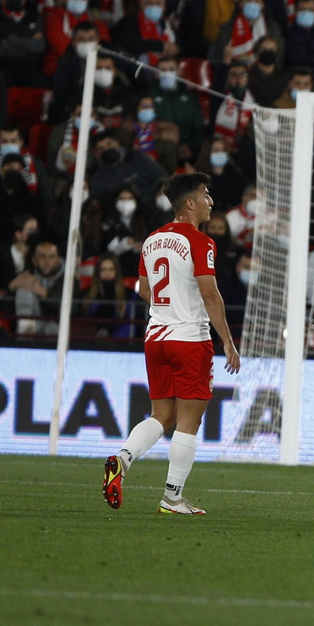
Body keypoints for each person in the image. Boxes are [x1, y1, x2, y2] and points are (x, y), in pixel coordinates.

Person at [101, 173, 240, 517]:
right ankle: (172, 498)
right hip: (189, 338)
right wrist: (228, 342)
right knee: (188, 422)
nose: (211, 202)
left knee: (161, 415)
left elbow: (146, 291)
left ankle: (122, 458)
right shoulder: (201, 242)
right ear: (190, 203)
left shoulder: (151, 240)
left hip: (156, 338)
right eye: (206, 195)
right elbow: (210, 294)